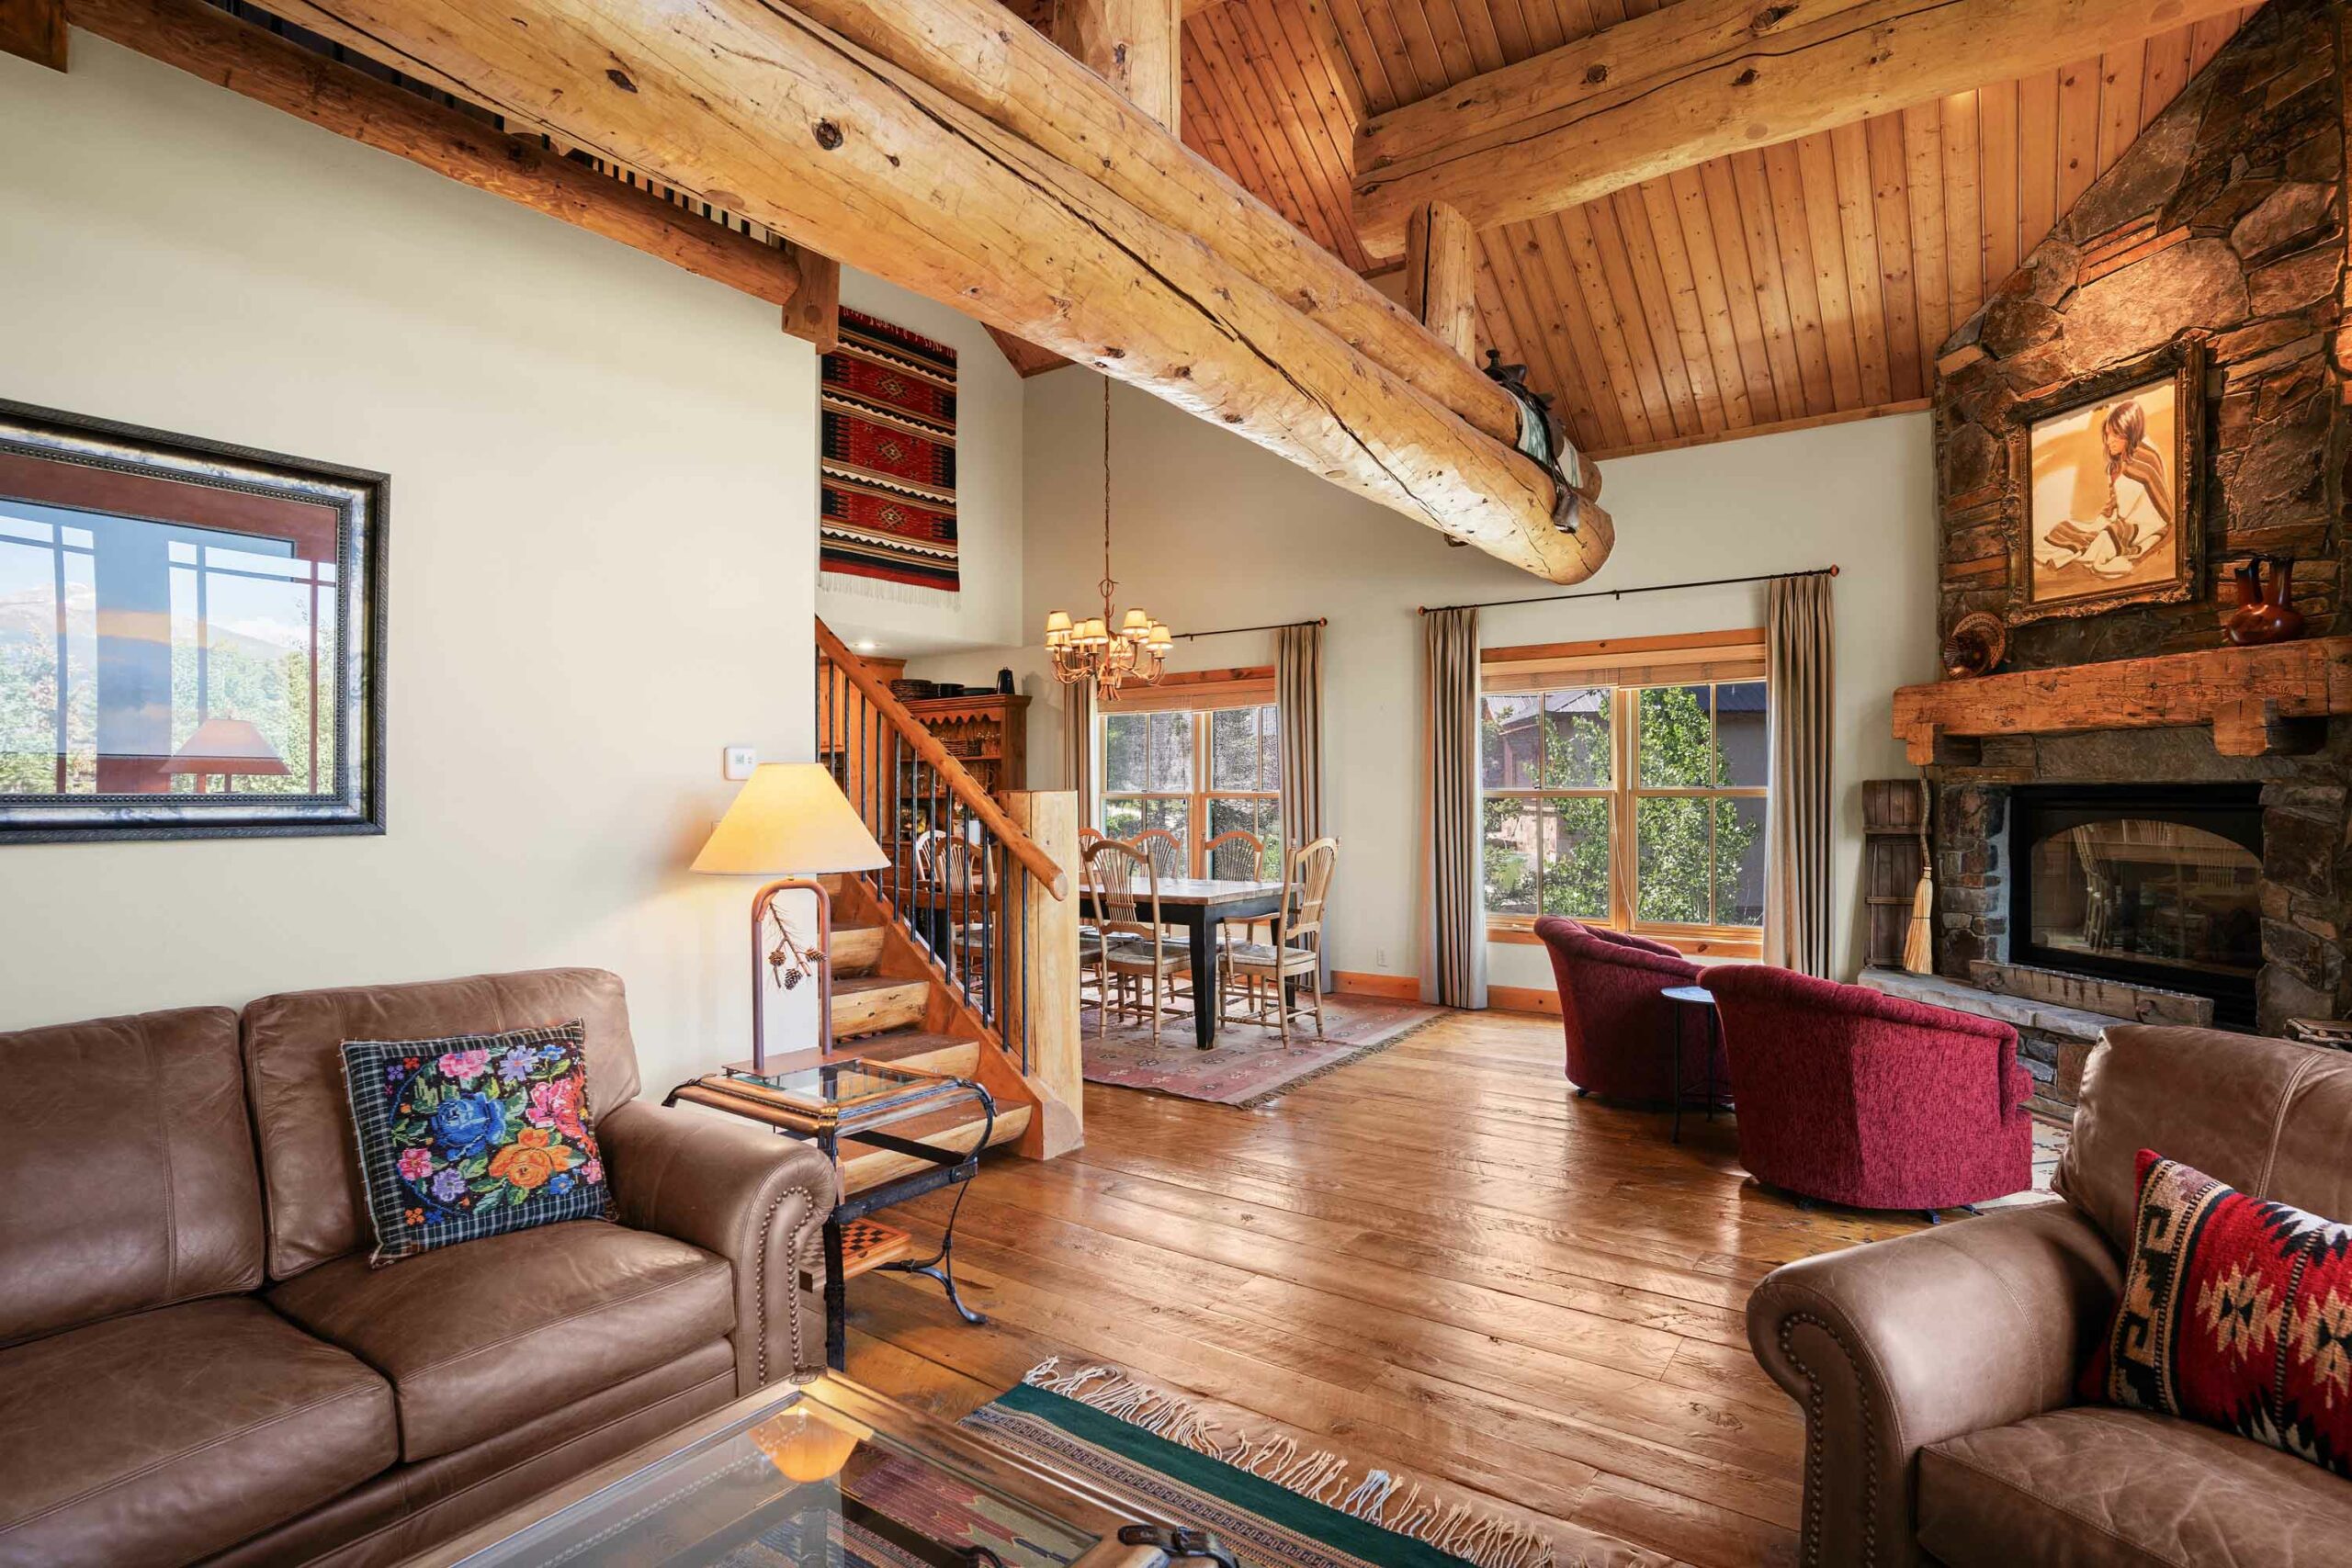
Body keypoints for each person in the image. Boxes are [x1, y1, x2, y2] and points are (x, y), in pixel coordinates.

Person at [2035, 399, 2174, 579]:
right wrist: (2107, 516)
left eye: (2115, 435)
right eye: (2107, 434)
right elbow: (2116, 505)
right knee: (2065, 527)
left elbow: (2149, 507)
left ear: (2129, 432)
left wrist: (2113, 522)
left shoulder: (2146, 459)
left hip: (2146, 523)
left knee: (2106, 537)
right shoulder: (2116, 464)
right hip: (2119, 518)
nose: (2109, 441)